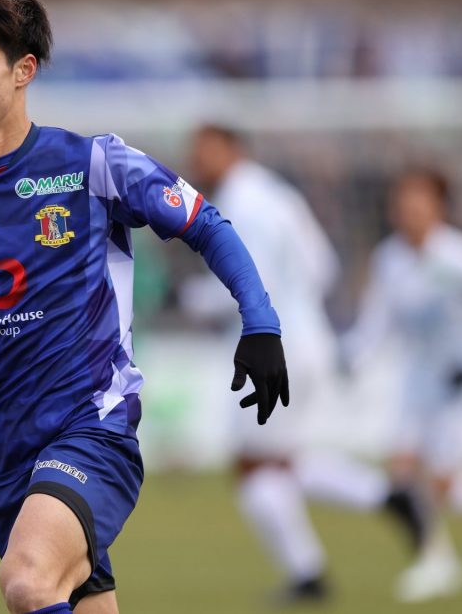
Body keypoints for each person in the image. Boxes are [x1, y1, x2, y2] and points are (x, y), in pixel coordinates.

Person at [0, 0, 288, 614]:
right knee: (71, 598)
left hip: (91, 426)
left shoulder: (93, 165)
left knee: (27, 582)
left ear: (23, 70)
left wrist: (261, 324)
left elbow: (206, 224)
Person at [181, 125, 429, 603]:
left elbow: (249, 282)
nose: (196, 162)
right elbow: (324, 265)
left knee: (256, 468)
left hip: (272, 346)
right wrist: (299, 310)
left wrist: (196, 299)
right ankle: (385, 502)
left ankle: (314, 568)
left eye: (203, 151)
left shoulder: (239, 204)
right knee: (279, 461)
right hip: (308, 337)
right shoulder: (281, 196)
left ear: (230, 150)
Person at [343, 167, 462, 601]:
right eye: (402, 203)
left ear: (438, 207)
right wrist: (352, 356)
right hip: (417, 380)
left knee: (441, 483)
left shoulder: (459, 257)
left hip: (460, 380)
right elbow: (376, 322)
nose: (408, 211)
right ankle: (436, 560)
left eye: (418, 202)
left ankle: (437, 560)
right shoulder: (389, 259)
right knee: (402, 475)